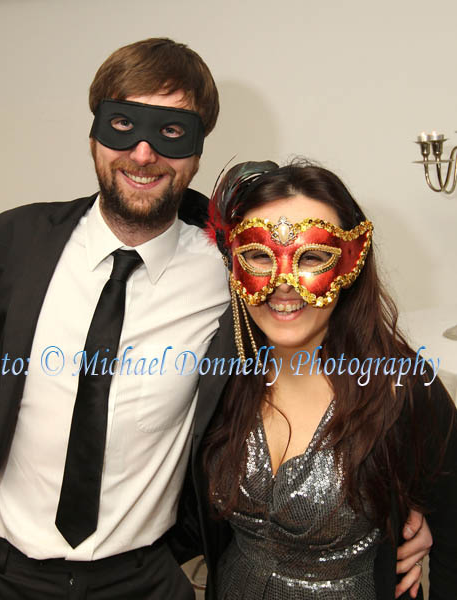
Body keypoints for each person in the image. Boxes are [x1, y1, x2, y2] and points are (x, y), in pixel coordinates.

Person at [0, 40, 430, 600]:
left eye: (170, 133)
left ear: (197, 151)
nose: (142, 154)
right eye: (121, 124)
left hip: (141, 579)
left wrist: (408, 506)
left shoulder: (229, 269)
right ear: (93, 133)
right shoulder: (15, 242)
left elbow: (345, 339)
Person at [175, 160, 457, 599]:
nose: (283, 284)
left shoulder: (402, 387)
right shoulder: (222, 373)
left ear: (351, 259)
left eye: (310, 256)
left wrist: (412, 510)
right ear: (234, 263)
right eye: (258, 256)